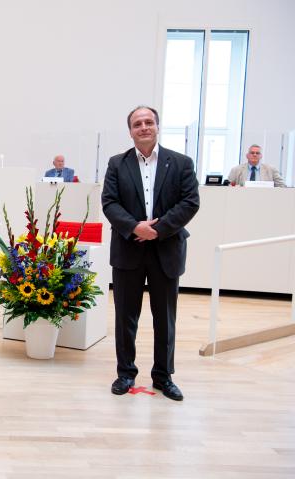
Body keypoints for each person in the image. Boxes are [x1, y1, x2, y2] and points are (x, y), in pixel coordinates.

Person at [101, 106, 200, 401]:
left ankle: (163, 376)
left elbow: (190, 201)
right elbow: (109, 202)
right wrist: (135, 227)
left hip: (166, 249)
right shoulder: (117, 164)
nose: (143, 127)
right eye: (137, 123)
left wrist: (158, 230)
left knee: (165, 318)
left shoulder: (181, 163)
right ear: (130, 130)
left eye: (148, 122)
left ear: (157, 126)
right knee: (125, 317)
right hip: (128, 249)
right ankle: (125, 373)